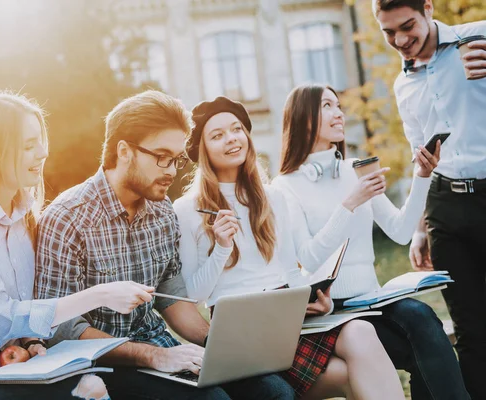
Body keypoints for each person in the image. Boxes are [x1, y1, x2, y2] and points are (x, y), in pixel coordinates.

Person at [34, 90, 295, 400]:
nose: (172, 171)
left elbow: (172, 300)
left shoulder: (161, 211)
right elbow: (60, 328)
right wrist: (152, 356)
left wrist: (222, 344)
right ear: (125, 151)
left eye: (176, 159)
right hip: (99, 365)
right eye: (162, 158)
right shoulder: (68, 217)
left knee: (276, 393)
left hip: (159, 349)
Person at [0, 92, 156, 400]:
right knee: (87, 392)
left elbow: (27, 306)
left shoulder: (25, 218)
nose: (42, 153)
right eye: (28, 145)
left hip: (19, 369)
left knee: (97, 385)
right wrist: (101, 295)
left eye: (40, 142)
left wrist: (30, 342)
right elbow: (3, 316)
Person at [173, 95, 405, 400]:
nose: (232, 139)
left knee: (361, 332)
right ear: (203, 150)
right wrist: (221, 248)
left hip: (286, 314)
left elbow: (289, 270)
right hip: (241, 329)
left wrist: (314, 300)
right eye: (217, 135)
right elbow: (194, 294)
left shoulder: (272, 197)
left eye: (237, 129)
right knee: (349, 375)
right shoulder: (187, 209)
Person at [273, 84, 469, 400]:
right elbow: (308, 258)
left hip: (372, 301)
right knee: (422, 348)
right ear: (303, 117)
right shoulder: (284, 186)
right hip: (332, 313)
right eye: (327, 106)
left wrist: (422, 176)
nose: (339, 113)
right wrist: (349, 204)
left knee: (422, 318)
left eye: (339, 106)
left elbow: (400, 231)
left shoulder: (357, 170)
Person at [372, 0, 486, 397]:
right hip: (445, 209)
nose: (401, 40)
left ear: (429, 8)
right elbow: (422, 158)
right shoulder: (404, 85)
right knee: (471, 330)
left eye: (407, 26)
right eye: (389, 33)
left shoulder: (478, 39)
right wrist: (420, 228)